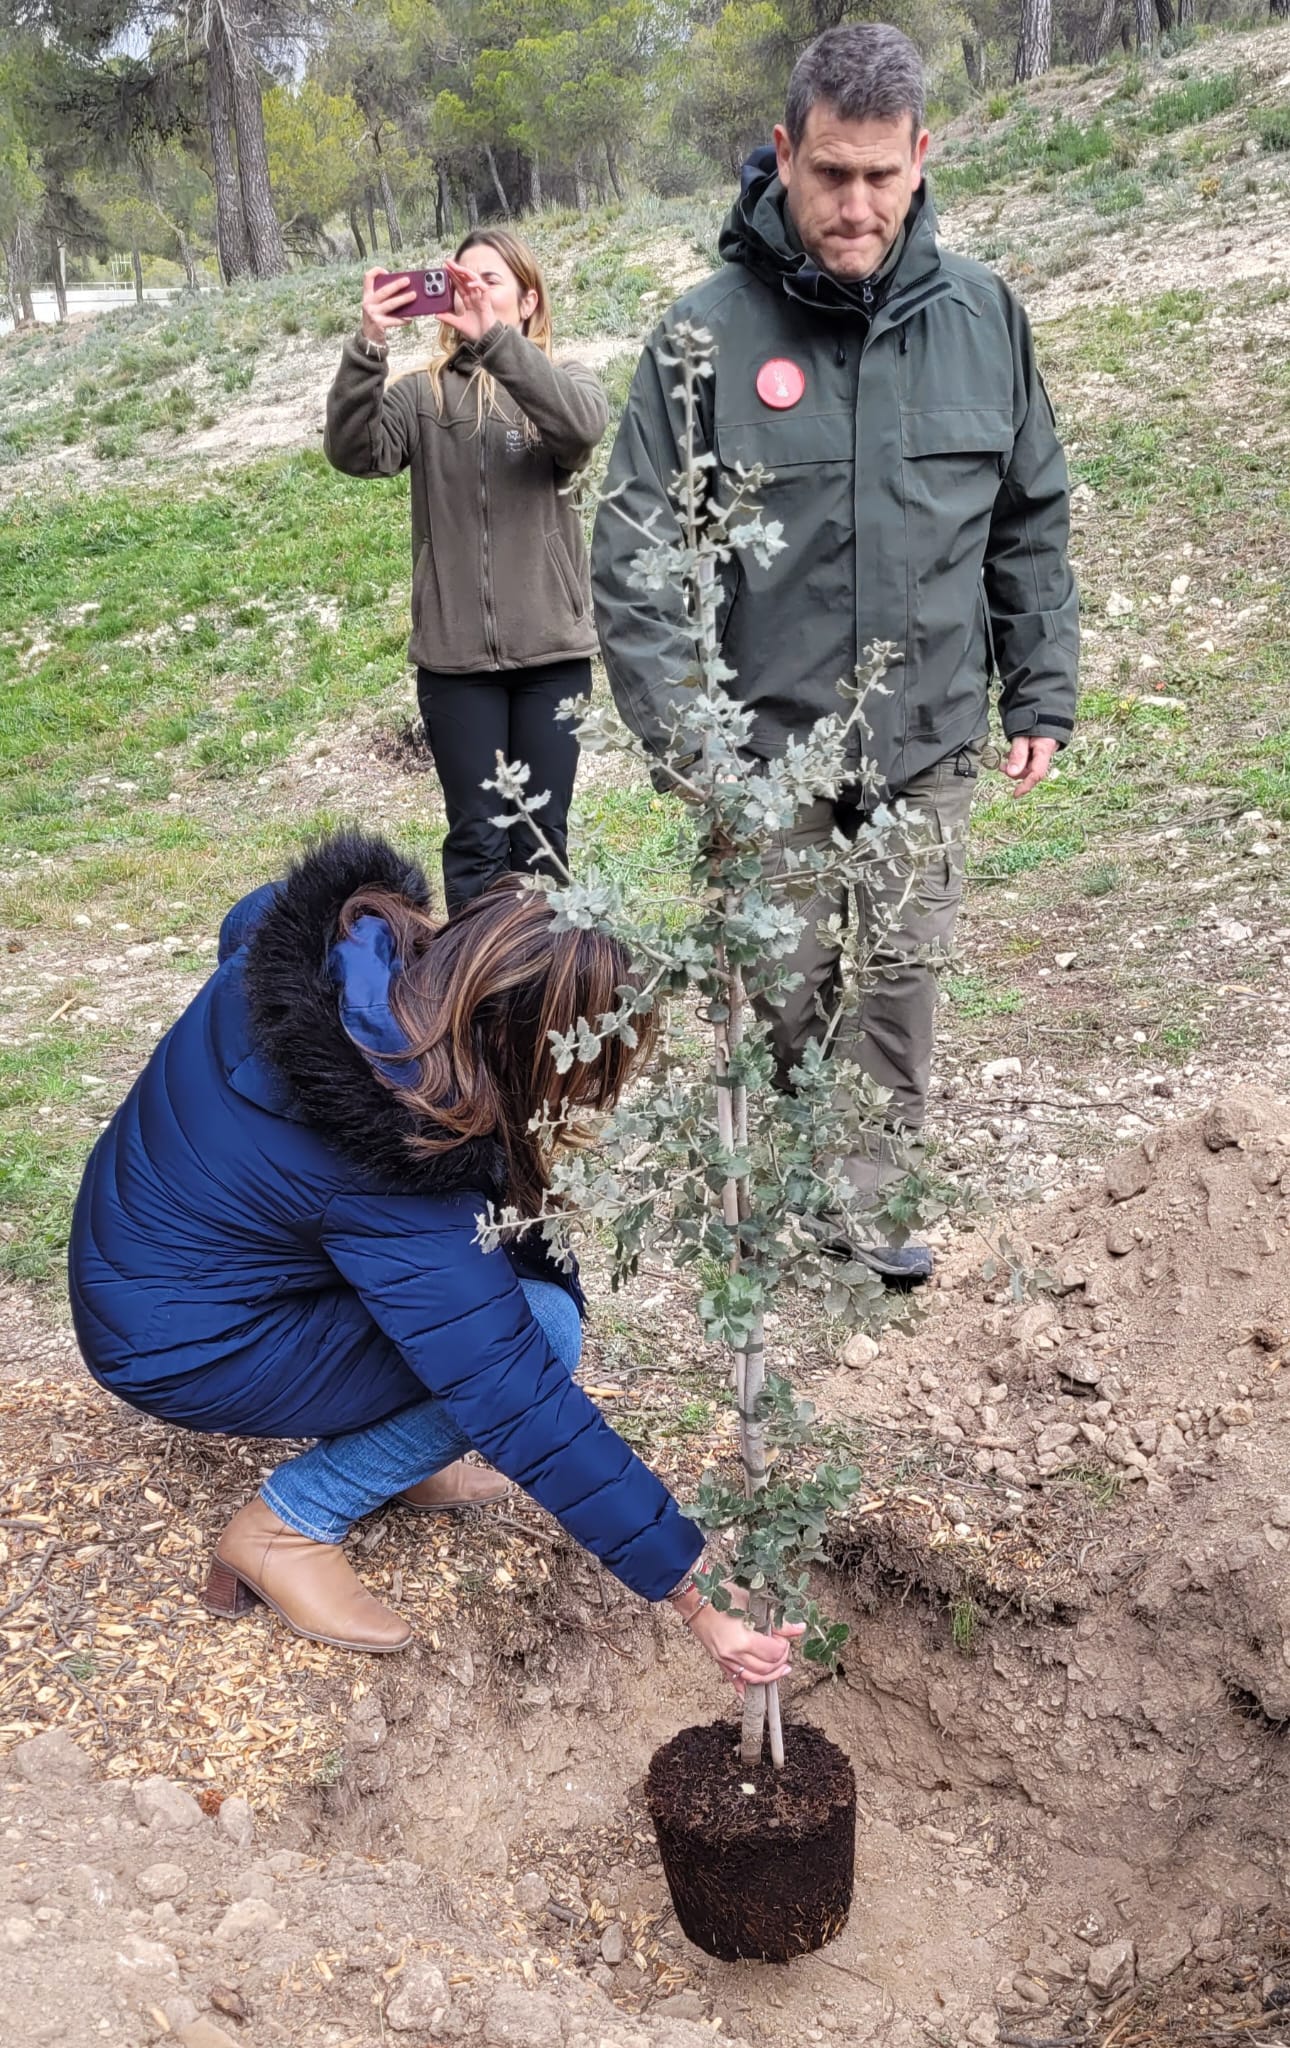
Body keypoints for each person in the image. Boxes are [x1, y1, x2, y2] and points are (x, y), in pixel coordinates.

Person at [67, 832, 799, 1688]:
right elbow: (515, 1392)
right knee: (543, 1331)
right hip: (179, 1339)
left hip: (146, 1252)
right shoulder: (390, 1168)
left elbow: (244, 920)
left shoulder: (336, 952)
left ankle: (398, 1453)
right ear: (522, 1046)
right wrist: (698, 1593)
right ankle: (288, 1525)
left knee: (476, 1305)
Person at [592, 24, 1079, 1286]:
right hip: (766, 751)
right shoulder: (701, 337)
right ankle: (781, 1191)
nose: (854, 206)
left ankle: (861, 1219)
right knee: (783, 979)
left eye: (879, 176)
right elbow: (637, 552)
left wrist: (1042, 683)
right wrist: (696, 746)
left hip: (929, 734)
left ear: (922, 157)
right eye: (828, 176)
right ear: (782, 155)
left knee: (903, 978)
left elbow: (1028, 515)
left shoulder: (984, 319)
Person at [325, 234, 609, 915]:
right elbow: (354, 451)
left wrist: (496, 344)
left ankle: (547, 1006)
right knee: (478, 841)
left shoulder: (562, 380)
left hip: (551, 657)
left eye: (491, 280)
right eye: (462, 281)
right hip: (456, 666)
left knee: (541, 844)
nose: (473, 291)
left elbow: (581, 429)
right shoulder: (423, 397)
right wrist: (369, 345)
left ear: (528, 297)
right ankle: (477, 1008)